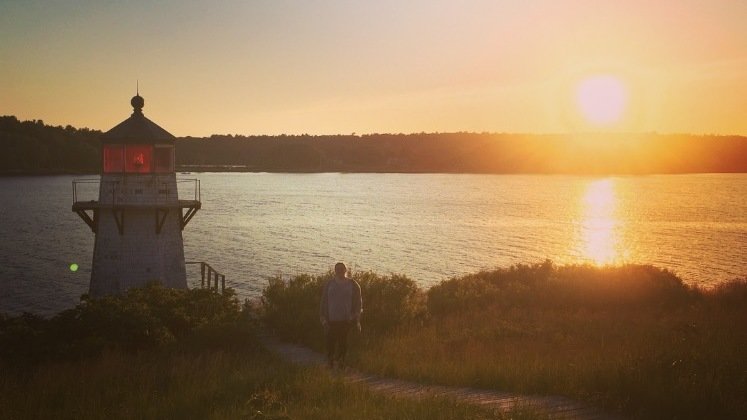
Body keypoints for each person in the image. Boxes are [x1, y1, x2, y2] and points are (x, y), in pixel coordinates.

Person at [319, 262, 362, 369]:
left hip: (346, 319)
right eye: (337, 269)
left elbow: (358, 302)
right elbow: (323, 301)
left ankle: (341, 363)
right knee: (330, 341)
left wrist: (356, 317)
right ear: (335, 270)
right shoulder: (329, 284)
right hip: (331, 319)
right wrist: (322, 317)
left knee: (343, 342)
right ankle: (330, 362)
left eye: (341, 269)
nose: (339, 271)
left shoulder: (353, 284)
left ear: (345, 270)